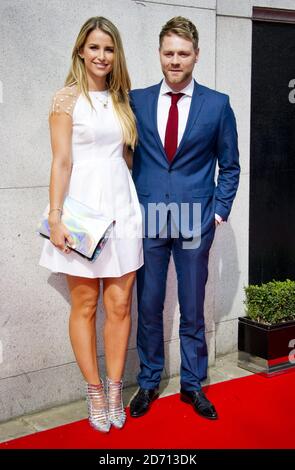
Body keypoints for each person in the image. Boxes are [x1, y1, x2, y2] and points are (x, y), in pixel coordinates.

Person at [129, 16, 240, 420]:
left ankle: (193, 385)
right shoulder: (136, 100)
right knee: (150, 303)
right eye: (168, 53)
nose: (175, 61)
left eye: (183, 54)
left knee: (193, 306)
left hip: (196, 217)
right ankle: (148, 380)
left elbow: (230, 166)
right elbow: (121, 156)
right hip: (150, 214)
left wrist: (219, 212)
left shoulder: (217, 104)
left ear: (196, 56)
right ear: (160, 54)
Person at [39, 16, 143, 433]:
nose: (102, 55)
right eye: (95, 47)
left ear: (116, 54)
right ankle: (94, 392)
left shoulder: (122, 99)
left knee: (119, 305)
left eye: (109, 48)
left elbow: (129, 158)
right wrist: (54, 215)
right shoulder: (65, 99)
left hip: (122, 207)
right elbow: (61, 161)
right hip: (81, 212)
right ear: (81, 50)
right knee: (85, 305)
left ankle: (116, 389)